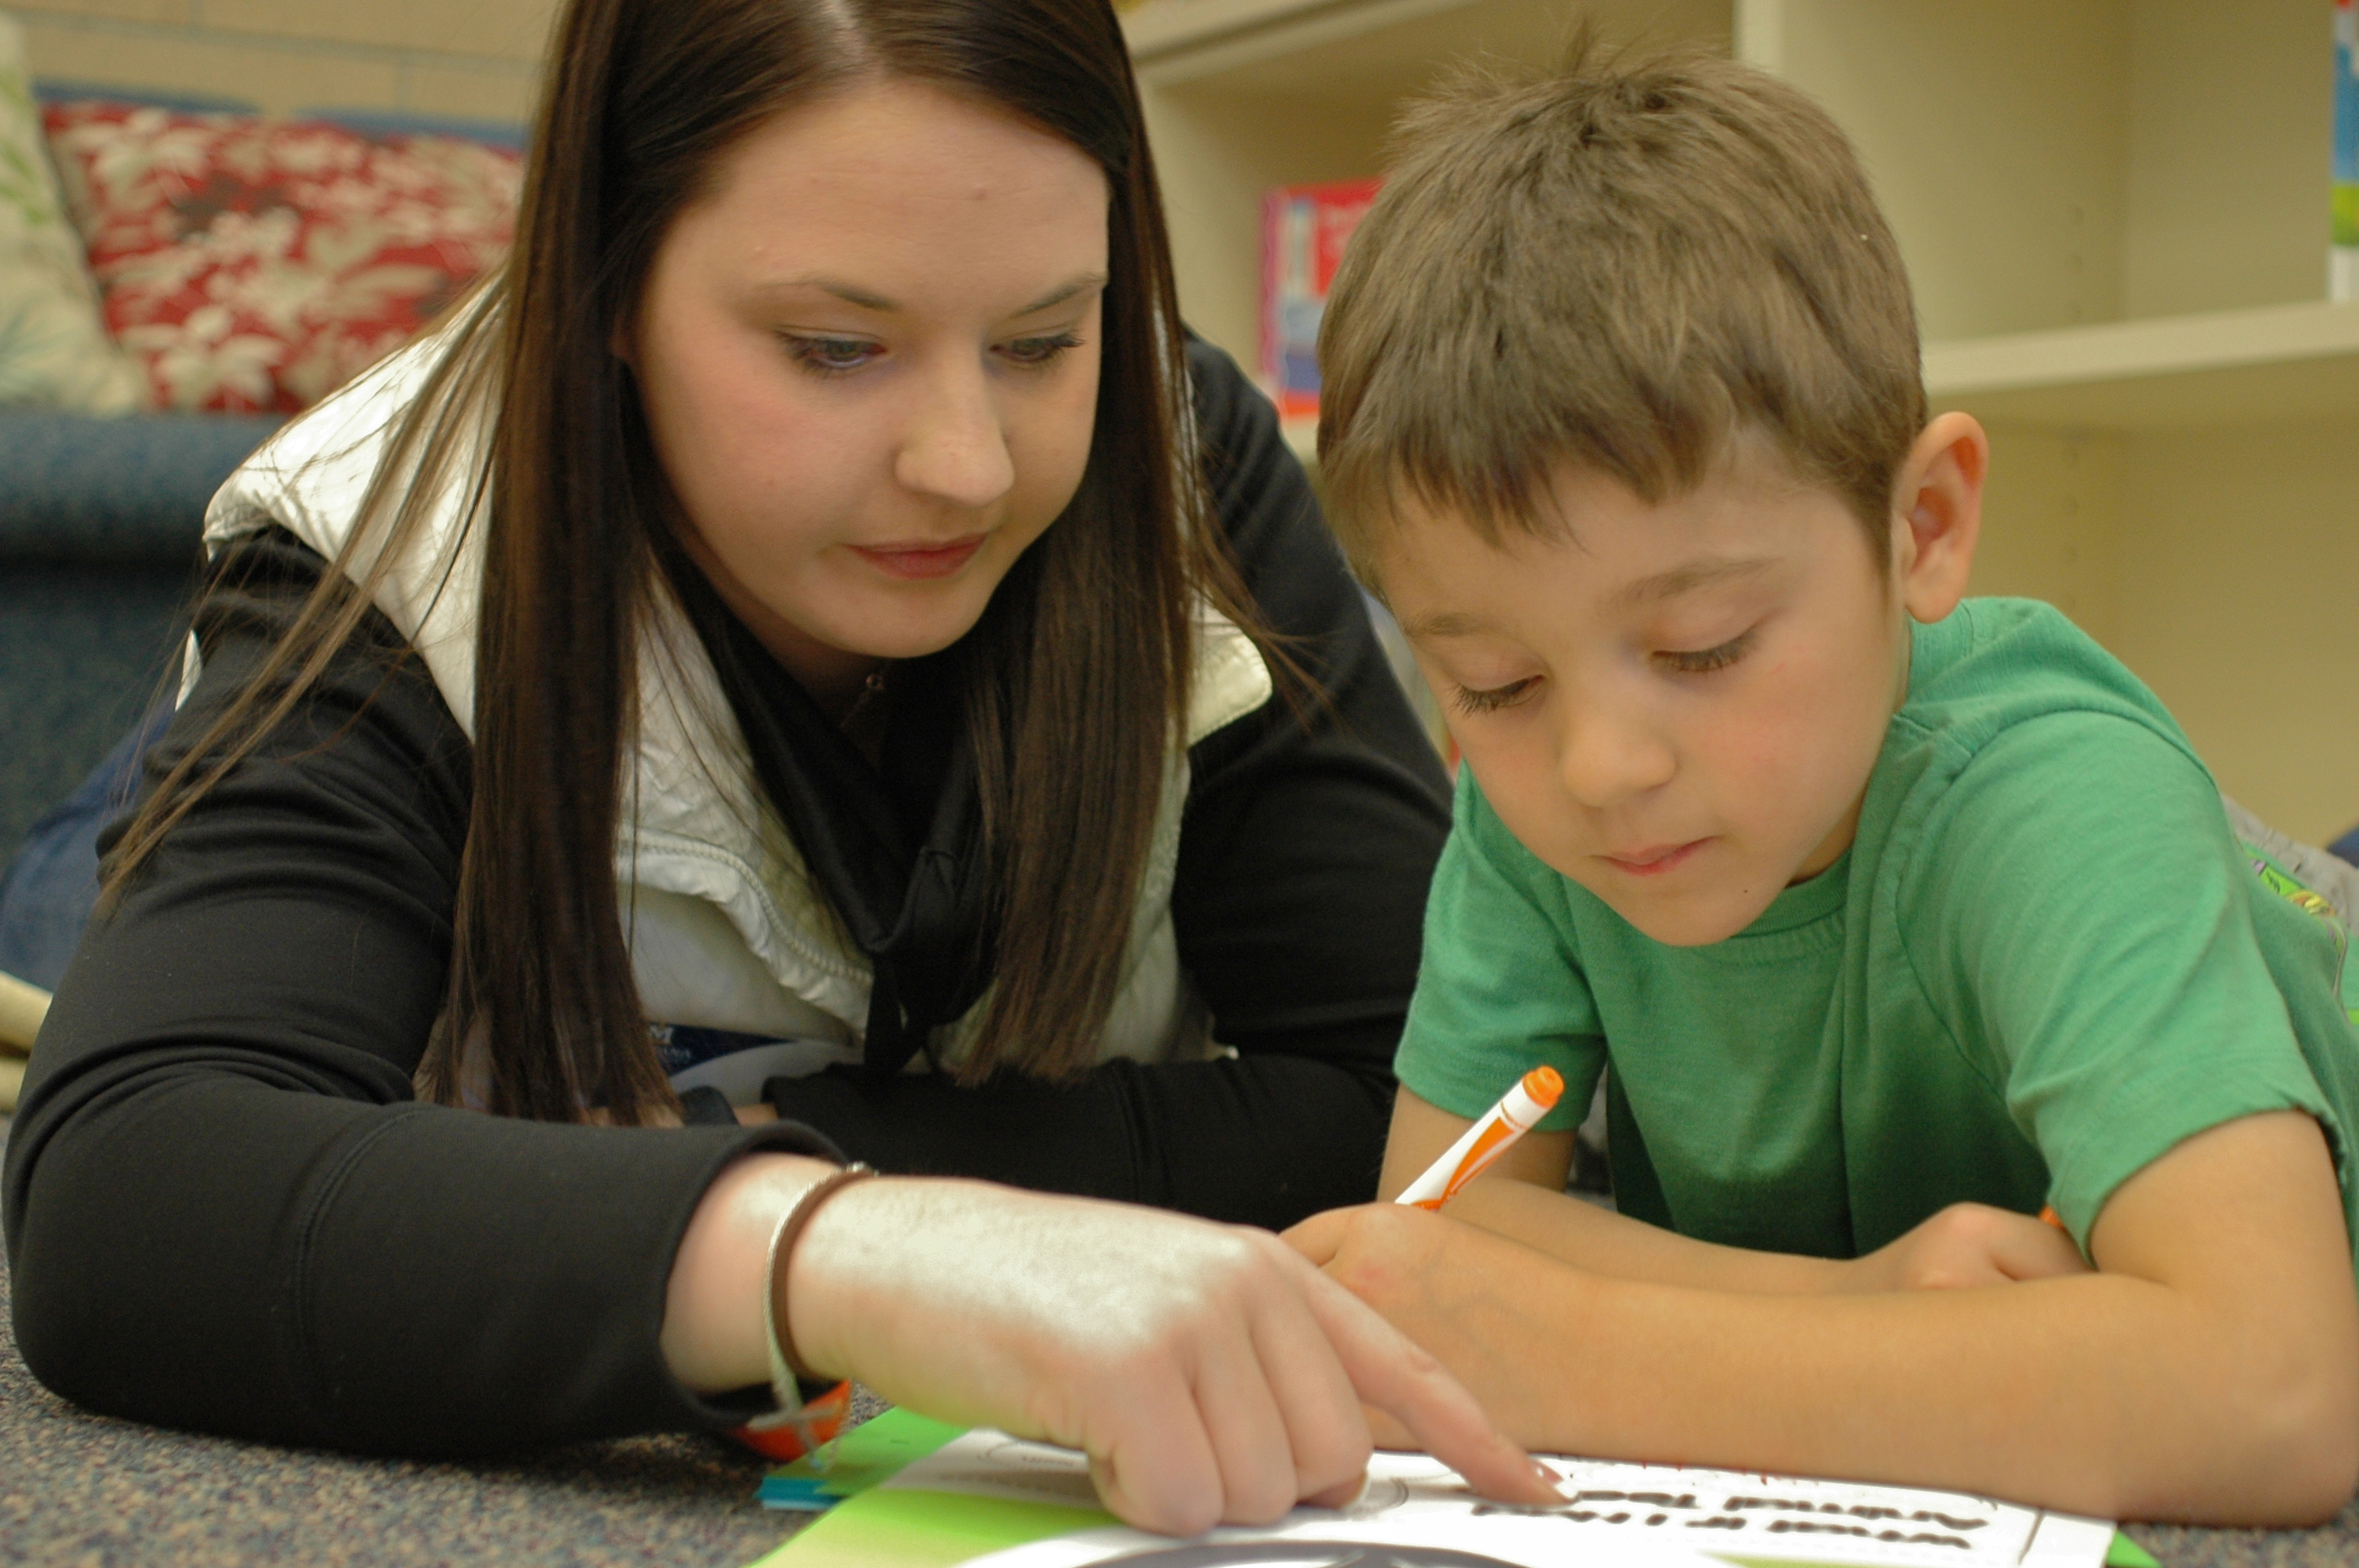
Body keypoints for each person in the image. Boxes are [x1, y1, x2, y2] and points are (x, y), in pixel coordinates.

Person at [0, 0, 1564, 1534]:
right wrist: (839, 1250)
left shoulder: (1181, 452)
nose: (964, 461)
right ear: (604, 280)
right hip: (338, 761)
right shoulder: (390, 561)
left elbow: (1421, 1112)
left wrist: (863, 1158)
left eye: (1041, 338)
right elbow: (125, 1198)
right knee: (58, 973)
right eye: (833, 346)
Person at [1284, 42, 2359, 1526]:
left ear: (1920, 526)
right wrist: (1863, 1299)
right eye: (1496, 684)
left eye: (1704, 646)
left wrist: (1596, 1351)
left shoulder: (2045, 796)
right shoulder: (1529, 808)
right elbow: (1441, 1224)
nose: (1601, 769)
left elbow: (2279, 1394)